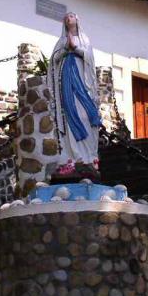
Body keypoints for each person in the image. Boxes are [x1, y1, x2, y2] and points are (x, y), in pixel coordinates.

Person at [47, 12, 102, 179]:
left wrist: (75, 48)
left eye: (71, 15)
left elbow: (90, 59)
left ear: (77, 19)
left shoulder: (84, 39)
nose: (68, 17)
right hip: (66, 83)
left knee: (86, 115)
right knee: (70, 115)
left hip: (82, 83)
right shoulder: (61, 41)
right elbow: (54, 60)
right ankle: (73, 157)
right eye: (66, 17)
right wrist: (66, 48)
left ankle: (89, 157)